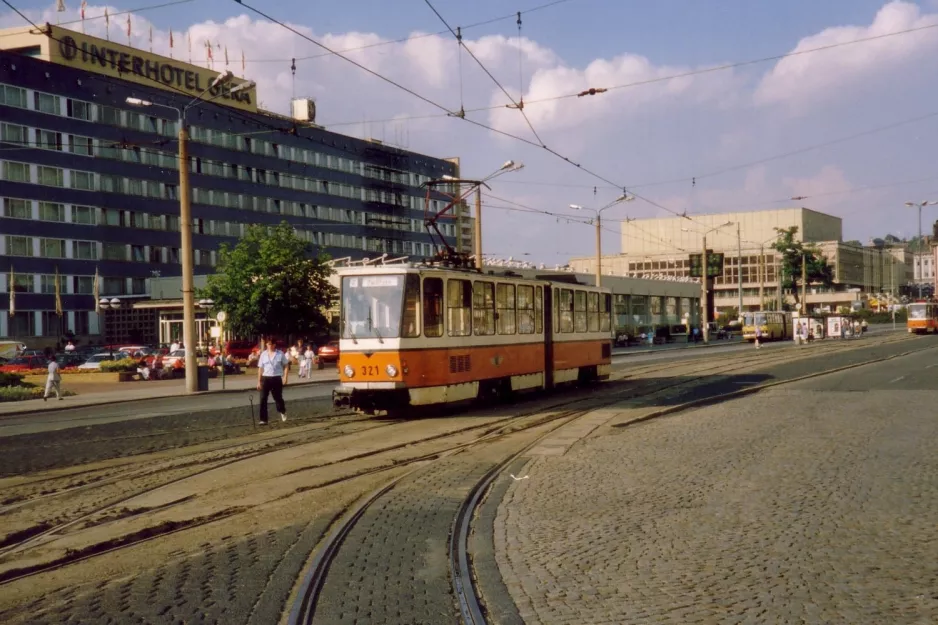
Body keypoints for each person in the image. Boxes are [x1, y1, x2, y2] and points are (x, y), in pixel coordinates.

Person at [256, 337, 291, 425]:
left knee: (278, 398)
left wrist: (285, 377)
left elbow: (286, 365)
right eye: (268, 344)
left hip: (276, 378)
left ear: (274, 345)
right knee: (263, 398)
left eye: (271, 344)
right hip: (266, 378)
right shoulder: (263, 354)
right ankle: (263, 419)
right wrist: (259, 381)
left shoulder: (280, 354)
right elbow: (260, 368)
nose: (269, 346)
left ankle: (282, 411)